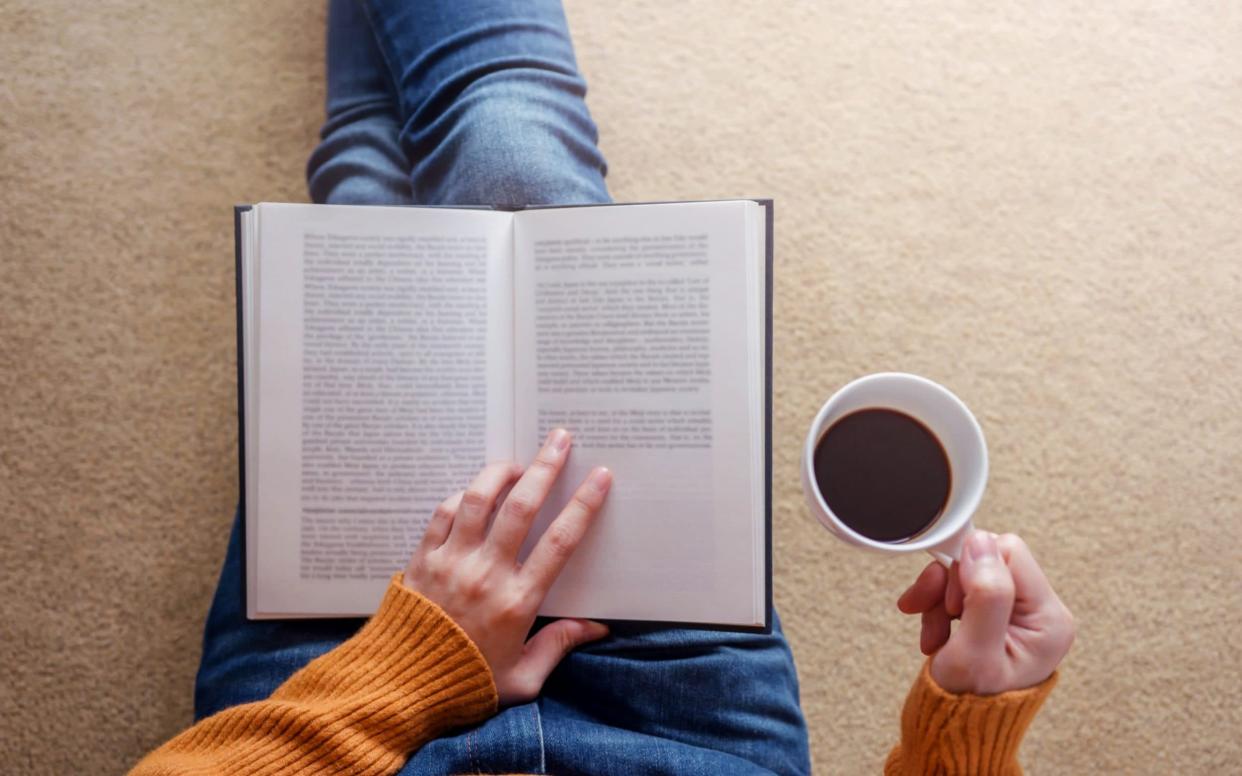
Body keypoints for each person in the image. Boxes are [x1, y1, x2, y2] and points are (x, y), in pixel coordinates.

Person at [131, 2, 1075, 773]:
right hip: (683, 730)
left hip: (355, 693)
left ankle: (371, 160)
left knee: (364, 236)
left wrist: (411, 667)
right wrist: (972, 726)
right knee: (512, 162)